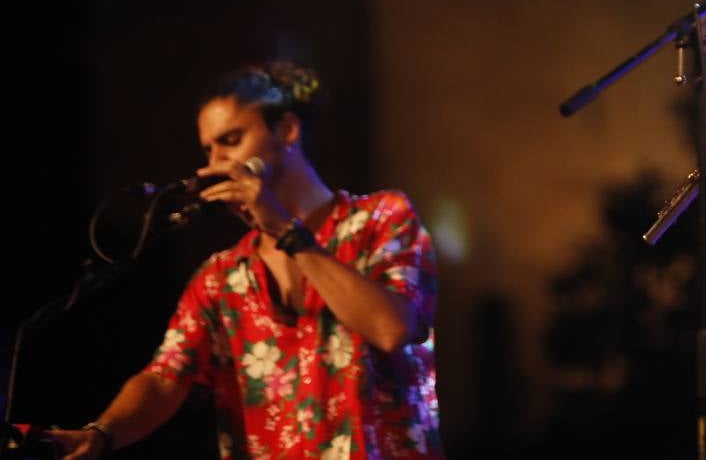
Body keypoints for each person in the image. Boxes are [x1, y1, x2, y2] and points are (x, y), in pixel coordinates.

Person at [49, 61, 441, 459]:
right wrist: (101, 434)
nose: (214, 163)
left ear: (287, 130)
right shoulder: (222, 276)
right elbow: (165, 377)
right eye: (208, 149)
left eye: (231, 140)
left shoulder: (382, 217)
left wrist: (286, 232)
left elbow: (392, 328)